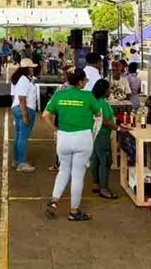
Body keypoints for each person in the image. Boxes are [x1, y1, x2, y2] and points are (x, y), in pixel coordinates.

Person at [42, 68, 101, 221]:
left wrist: (55, 131)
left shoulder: (59, 95)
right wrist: (93, 134)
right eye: (85, 80)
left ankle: (54, 201)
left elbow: (45, 115)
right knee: (77, 175)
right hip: (83, 138)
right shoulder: (88, 96)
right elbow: (99, 115)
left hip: (63, 138)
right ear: (80, 82)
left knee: (63, 170)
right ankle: (74, 211)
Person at [89, 79, 123, 200]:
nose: (110, 91)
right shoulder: (102, 103)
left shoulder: (95, 101)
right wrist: (118, 128)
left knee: (96, 159)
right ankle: (104, 189)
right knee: (105, 161)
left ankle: (96, 184)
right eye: (108, 89)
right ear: (104, 90)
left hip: (94, 134)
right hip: (102, 134)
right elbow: (104, 121)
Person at [11, 58, 38, 173]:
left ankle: (16, 159)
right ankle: (22, 162)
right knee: (23, 137)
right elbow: (22, 98)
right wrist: (25, 115)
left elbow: (15, 96)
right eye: (31, 67)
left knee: (18, 135)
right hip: (25, 109)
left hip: (17, 108)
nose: (32, 69)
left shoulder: (19, 79)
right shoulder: (24, 80)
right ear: (27, 68)